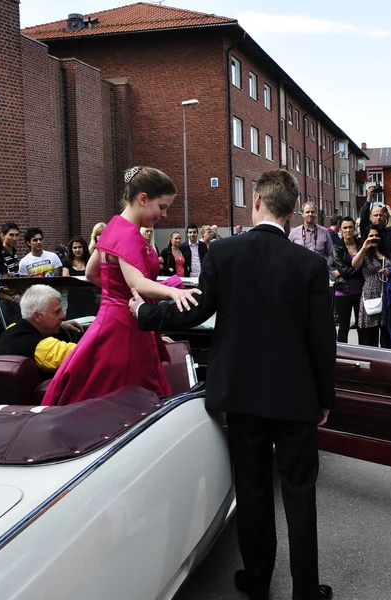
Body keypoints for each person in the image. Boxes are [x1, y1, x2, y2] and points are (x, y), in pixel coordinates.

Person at [130, 169, 335, 600]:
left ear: (256, 201)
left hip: (242, 396)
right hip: (297, 397)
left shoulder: (223, 252)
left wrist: (144, 314)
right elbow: (323, 340)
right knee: (300, 495)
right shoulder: (311, 264)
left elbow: (193, 312)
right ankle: (305, 591)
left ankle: (257, 582)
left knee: (253, 489)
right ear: (293, 213)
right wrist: (324, 397)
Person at [41, 166, 200, 406]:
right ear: (143, 199)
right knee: (130, 399)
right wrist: (173, 292)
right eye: (163, 207)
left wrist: (117, 293)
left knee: (98, 389)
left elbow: (93, 272)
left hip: (111, 319)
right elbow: (137, 282)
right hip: (126, 327)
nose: (164, 215)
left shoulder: (114, 226)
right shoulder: (129, 234)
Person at [0, 285, 83, 377]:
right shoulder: (42, 348)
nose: (63, 316)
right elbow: (87, 353)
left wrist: (59, 325)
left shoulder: (12, 328)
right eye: (57, 312)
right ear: (37, 316)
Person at [352, 226, 391, 349]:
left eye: (376, 235)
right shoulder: (364, 253)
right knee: (369, 333)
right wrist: (363, 248)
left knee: (386, 330)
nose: (374, 238)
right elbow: (354, 264)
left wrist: (390, 272)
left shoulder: (387, 252)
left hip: (387, 293)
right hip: (370, 293)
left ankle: (387, 361)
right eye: (371, 236)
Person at [332, 217, 363, 343]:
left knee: (361, 326)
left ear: (354, 228)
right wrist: (357, 267)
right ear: (341, 230)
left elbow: (344, 271)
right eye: (345, 227)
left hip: (360, 292)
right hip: (343, 292)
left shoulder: (360, 244)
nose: (348, 230)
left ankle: (362, 354)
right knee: (344, 327)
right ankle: (342, 356)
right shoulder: (337, 247)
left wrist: (344, 271)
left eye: (350, 227)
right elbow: (343, 270)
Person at [359, 186, 391, 263]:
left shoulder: (389, 231)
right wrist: (369, 198)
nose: (378, 217)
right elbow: (363, 218)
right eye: (375, 215)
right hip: (371, 268)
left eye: (381, 215)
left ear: (385, 217)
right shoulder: (367, 231)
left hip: (389, 267)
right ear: (370, 217)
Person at [62, 236, 99, 320]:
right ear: (71, 249)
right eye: (75, 247)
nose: (77, 250)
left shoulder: (90, 261)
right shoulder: (67, 262)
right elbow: (65, 276)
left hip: (89, 297)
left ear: (84, 248)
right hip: (73, 298)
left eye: (80, 247)